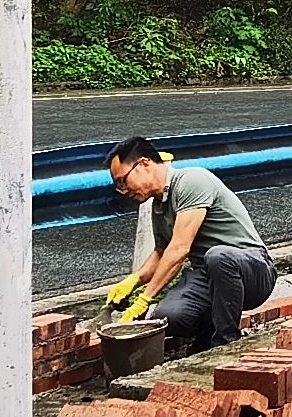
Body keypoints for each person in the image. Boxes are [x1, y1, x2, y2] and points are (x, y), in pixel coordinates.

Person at [106, 137, 274, 353]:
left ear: (144, 164)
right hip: (208, 274)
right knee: (168, 317)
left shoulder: (192, 180)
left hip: (253, 270)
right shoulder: (159, 205)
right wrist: (133, 281)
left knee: (218, 257)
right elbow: (161, 253)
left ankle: (226, 343)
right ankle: (206, 339)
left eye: (123, 181)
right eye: (118, 186)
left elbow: (179, 249)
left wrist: (145, 298)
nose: (124, 190)